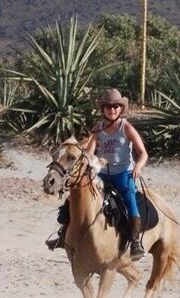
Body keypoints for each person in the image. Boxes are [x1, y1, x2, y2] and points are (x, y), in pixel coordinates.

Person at [46, 87, 149, 258]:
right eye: (108, 107)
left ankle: (135, 241)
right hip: (101, 173)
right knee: (74, 197)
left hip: (123, 173)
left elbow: (143, 153)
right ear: (103, 109)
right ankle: (62, 234)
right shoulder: (98, 129)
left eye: (116, 106)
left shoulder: (127, 128)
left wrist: (138, 167)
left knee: (130, 198)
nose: (112, 109)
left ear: (121, 108)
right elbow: (89, 152)